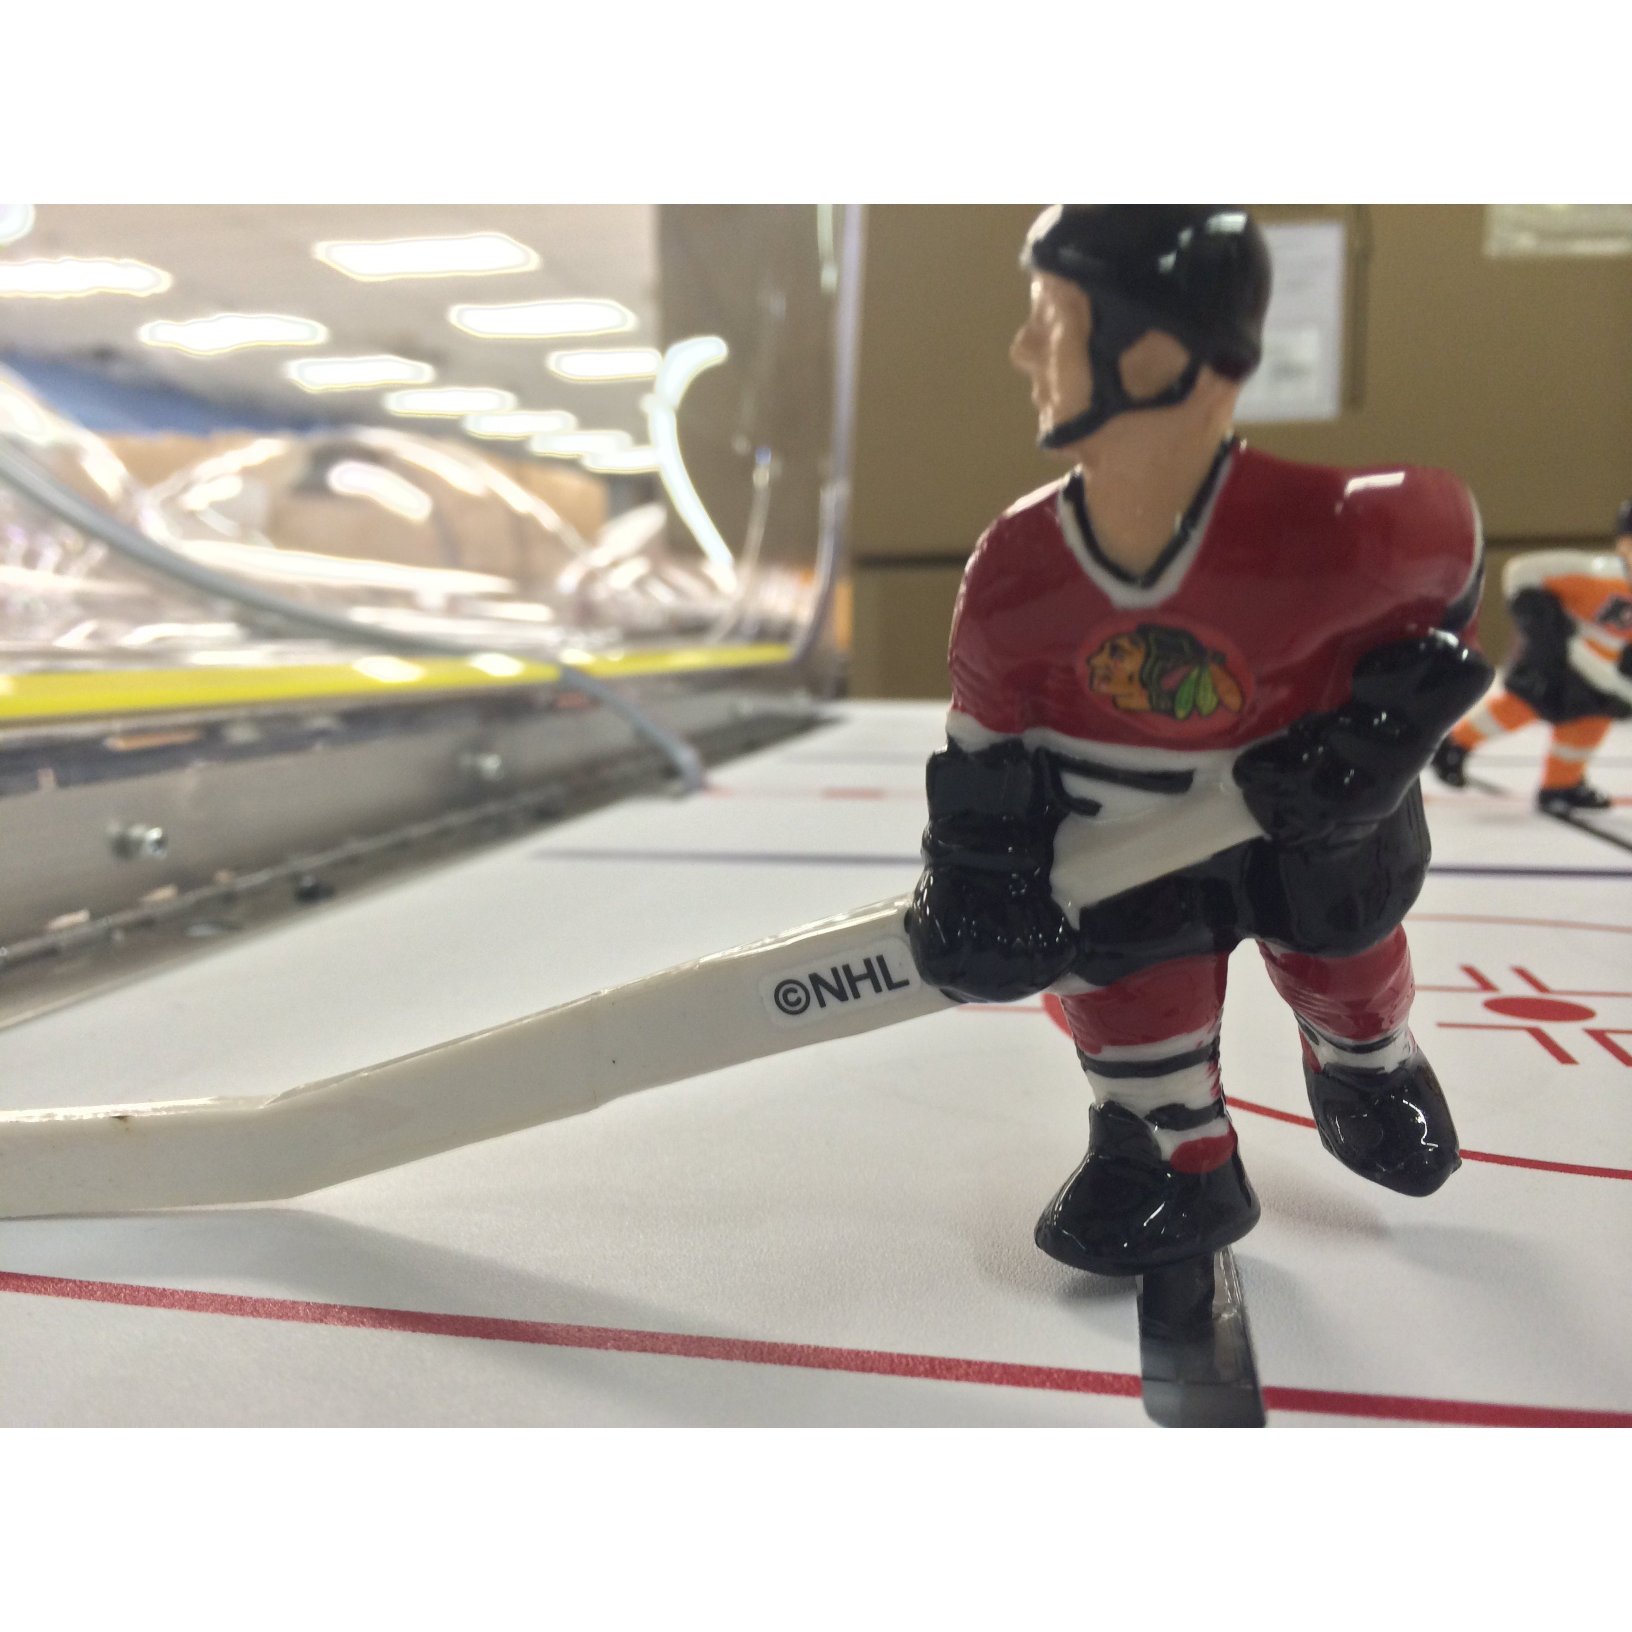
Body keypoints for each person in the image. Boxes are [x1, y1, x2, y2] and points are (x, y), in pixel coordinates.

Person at [905, 206, 1492, 1276]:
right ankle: (1174, 1156)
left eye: (1052, 319)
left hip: (1303, 830)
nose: (1024, 348)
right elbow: (988, 755)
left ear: (1158, 354)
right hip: (1122, 833)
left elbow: (1447, 598)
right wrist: (982, 880)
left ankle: (1366, 1063)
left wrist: (1371, 744)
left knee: (1343, 961)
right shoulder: (1015, 569)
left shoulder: (1349, 531)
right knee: (1129, 991)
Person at [1431, 503, 1632, 813]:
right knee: (1523, 705)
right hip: (1557, 659)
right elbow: (1521, 572)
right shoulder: (1596, 575)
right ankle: (1456, 745)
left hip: (1601, 667)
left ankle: (1562, 783)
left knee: (1589, 721)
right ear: (1623, 543)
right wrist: (1543, 621)